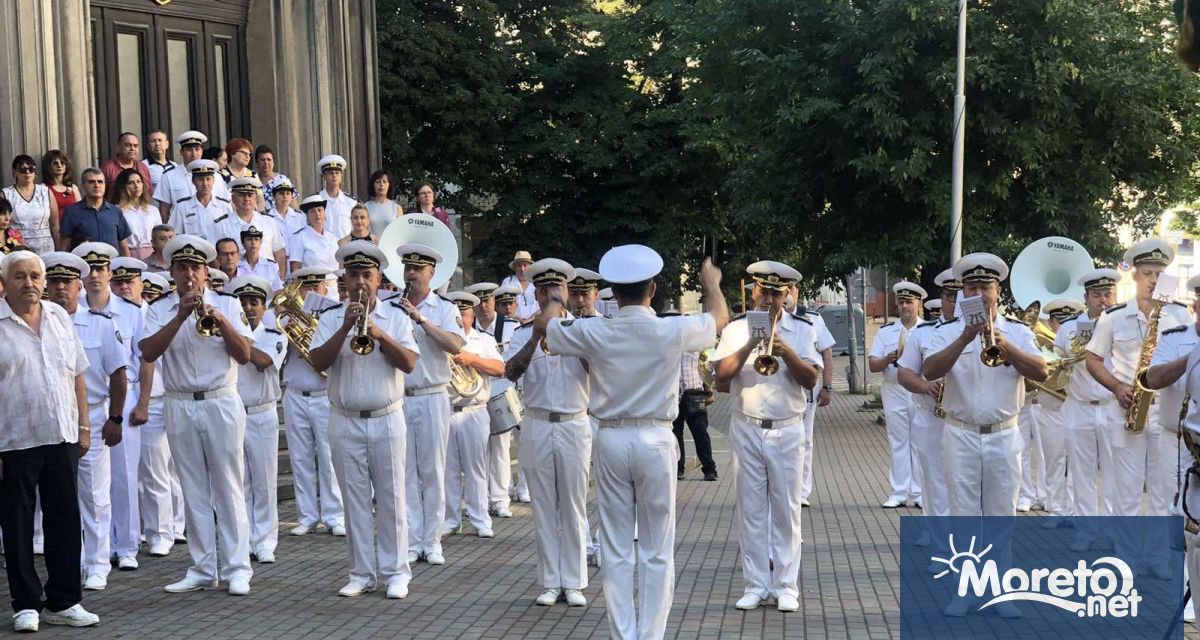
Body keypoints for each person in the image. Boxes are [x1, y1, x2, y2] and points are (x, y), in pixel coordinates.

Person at [538, 245, 727, 640]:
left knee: (617, 548)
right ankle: (652, 634)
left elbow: (550, 329)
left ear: (612, 292)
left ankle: (624, 634)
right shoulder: (671, 328)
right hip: (657, 437)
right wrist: (711, 284)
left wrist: (557, 297)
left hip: (610, 437)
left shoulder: (595, 329)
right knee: (657, 548)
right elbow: (719, 318)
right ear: (653, 289)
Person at [137, 234, 255, 596]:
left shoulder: (228, 304)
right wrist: (180, 315)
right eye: (182, 268)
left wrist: (218, 318)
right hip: (178, 401)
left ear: (206, 272)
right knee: (193, 488)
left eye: (195, 268)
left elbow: (245, 354)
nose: (189, 275)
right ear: (172, 272)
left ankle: (237, 567)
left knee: (229, 485)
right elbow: (148, 351)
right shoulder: (158, 308)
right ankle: (203, 567)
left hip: (220, 398)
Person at [308, 241, 419, 599]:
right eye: (353, 275)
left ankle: (396, 572)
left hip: (387, 417)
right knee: (353, 499)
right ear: (345, 279)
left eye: (366, 276)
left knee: (391, 498)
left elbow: (410, 364)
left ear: (378, 279)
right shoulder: (328, 318)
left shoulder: (397, 317)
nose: (360, 283)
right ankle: (360, 572)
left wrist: (381, 334)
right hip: (344, 419)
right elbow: (318, 363)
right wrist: (344, 328)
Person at [0, 250, 102, 631]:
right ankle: (25, 604)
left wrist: (84, 427)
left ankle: (65, 600)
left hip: (61, 435)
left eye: (34, 277)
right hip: (14, 440)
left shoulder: (59, 317)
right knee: (18, 525)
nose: (29, 283)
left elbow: (77, 373)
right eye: (20, 277)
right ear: (5, 282)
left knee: (64, 520)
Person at [713, 260, 818, 613]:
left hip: (788, 427)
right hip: (746, 426)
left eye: (777, 292)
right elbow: (720, 379)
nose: (769, 299)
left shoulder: (803, 328)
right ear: (753, 291)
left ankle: (786, 584)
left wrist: (786, 350)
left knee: (787, 510)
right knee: (751, 510)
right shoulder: (736, 328)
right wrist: (749, 346)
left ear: (787, 294)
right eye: (764, 291)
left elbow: (811, 380)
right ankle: (756, 583)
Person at [1085, 241, 1190, 571]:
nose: (1154, 280)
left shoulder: (1180, 314)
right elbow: (1093, 359)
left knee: (1164, 491)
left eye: (1159, 274)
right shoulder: (1114, 317)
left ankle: (1158, 559)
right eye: (1147, 274)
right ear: (1135, 276)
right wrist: (1116, 386)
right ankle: (1127, 559)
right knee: (1127, 491)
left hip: (1167, 411)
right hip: (1127, 409)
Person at [921, 253, 1047, 518]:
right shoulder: (946, 331)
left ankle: (997, 562)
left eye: (985, 288)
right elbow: (930, 370)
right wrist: (963, 339)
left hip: (1004, 435)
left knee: (1002, 515)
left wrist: (1006, 347)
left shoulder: (1017, 331)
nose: (978, 294)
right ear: (964, 294)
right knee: (962, 515)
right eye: (971, 288)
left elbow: (1041, 372)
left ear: (998, 292)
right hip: (960, 434)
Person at [504, 259, 595, 607]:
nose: (548, 296)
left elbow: (597, 371)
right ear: (536, 294)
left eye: (555, 290)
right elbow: (510, 372)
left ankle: (573, 581)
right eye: (543, 291)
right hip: (538, 422)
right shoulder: (522, 331)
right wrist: (537, 336)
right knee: (543, 506)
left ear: (566, 292)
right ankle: (549, 580)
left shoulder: (583, 330)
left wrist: (568, 334)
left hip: (574, 422)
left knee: (572, 505)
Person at [73, 244, 146, 574]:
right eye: (89, 271)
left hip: (123, 396)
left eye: (101, 269)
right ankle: (94, 549)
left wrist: (142, 400)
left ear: (110, 273)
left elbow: (144, 360)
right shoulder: (73, 312)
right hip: (85, 400)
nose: (95, 276)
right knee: (92, 486)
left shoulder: (131, 311)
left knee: (125, 474)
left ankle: (126, 544)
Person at [394, 242, 466, 565]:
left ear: (431, 273)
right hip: (400, 397)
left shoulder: (445, 308)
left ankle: (432, 540)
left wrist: (421, 319)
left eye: (418, 269)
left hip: (433, 395)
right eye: (408, 268)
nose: (411, 274)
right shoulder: (391, 306)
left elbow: (454, 345)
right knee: (405, 471)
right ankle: (411, 539)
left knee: (434, 471)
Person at [1142, 273, 1200, 624]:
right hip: (1175, 440)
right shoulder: (1176, 338)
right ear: (1195, 306)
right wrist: (1192, 356)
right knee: (1178, 515)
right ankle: (1183, 590)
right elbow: (1151, 379)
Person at [281, 267, 346, 537]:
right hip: (295, 392)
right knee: (300, 457)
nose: (308, 294)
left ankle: (335, 515)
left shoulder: (331, 317)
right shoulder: (287, 320)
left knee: (328, 457)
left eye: (314, 288)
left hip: (322, 394)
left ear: (323, 290)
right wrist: (290, 335)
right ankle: (307, 516)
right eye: (303, 288)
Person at [229, 275, 287, 564]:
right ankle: (245, 537)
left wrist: (237, 341)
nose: (249, 308)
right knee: (239, 480)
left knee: (264, 480)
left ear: (265, 307)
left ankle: (265, 540)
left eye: (255, 303)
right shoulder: (228, 332)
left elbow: (263, 362)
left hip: (263, 412)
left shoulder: (275, 335)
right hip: (235, 412)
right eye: (243, 303)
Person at [897, 268, 960, 531]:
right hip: (931, 417)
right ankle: (940, 543)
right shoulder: (923, 333)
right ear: (942, 299)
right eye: (949, 297)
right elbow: (903, 373)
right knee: (935, 483)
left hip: (964, 420)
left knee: (964, 484)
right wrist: (925, 386)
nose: (955, 303)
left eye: (960, 296)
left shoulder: (982, 333)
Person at [132, 270, 187, 557]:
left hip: (171, 396)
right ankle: (160, 532)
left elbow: (150, 361)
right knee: (155, 472)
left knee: (173, 470)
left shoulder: (155, 314)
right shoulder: (138, 315)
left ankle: (174, 526)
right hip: (153, 400)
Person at [443, 291, 505, 539]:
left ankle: (481, 519)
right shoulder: (442, 339)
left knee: (476, 468)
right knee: (447, 469)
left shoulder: (484, 340)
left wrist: (472, 359)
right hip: (446, 408)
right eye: (456, 313)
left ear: (472, 315)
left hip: (475, 409)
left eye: (465, 314)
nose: (460, 318)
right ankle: (451, 519)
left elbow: (500, 368)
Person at [869, 281, 927, 508]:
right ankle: (899, 491)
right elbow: (873, 364)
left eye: (909, 302)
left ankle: (921, 492)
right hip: (894, 390)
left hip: (920, 389)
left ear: (918, 304)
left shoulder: (928, 329)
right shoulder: (886, 332)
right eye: (901, 302)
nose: (905, 306)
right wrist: (889, 358)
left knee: (920, 440)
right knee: (898, 440)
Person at [465, 281, 517, 518]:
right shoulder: (465, 331)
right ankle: (479, 500)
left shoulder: (511, 326)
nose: (485, 305)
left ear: (495, 301)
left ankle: (500, 498)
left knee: (500, 448)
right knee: (476, 453)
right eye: (480, 302)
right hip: (472, 394)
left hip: (500, 391)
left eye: (488, 300)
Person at [1032, 298, 1084, 519]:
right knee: (1053, 461)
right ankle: (1054, 508)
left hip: (1075, 408)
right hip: (1051, 410)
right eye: (1058, 321)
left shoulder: (1080, 343)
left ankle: (1073, 509)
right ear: (1051, 321)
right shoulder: (1040, 346)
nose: (1061, 326)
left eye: (1067, 321)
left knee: (1077, 464)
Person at [493, 283, 531, 503]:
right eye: (504, 304)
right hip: (501, 388)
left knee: (525, 442)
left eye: (511, 303)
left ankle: (524, 486)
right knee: (503, 444)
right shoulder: (493, 327)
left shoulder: (518, 327)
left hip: (520, 390)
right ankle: (504, 487)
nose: (508, 308)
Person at [671, 327, 717, 482]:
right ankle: (678, 468)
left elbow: (706, 368)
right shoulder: (668, 344)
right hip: (673, 395)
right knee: (675, 434)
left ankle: (710, 469)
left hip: (695, 393)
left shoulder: (698, 346)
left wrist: (709, 391)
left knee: (700, 433)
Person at [154, 131, 230, 221]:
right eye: (189, 150)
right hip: (183, 230)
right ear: (182, 152)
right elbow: (164, 211)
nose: (194, 153)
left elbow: (225, 206)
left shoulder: (216, 176)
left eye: (197, 149)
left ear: (201, 151)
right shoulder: (169, 176)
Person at [216, 177, 286, 271]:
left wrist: (280, 280)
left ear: (256, 199)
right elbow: (215, 258)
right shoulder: (222, 224)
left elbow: (279, 252)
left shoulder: (269, 222)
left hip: (268, 279)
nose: (246, 199)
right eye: (242, 195)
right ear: (233, 198)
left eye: (250, 195)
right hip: (237, 280)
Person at [60, 169, 131, 255]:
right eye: (91, 182)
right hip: (85, 265)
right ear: (83, 185)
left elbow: (124, 247)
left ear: (105, 185)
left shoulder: (116, 212)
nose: (97, 185)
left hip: (112, 266)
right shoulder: (71, 212)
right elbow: (64, 247)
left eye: (100, 182)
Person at [166, 159, 233, 243]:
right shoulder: (182, 207)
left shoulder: (224, 206)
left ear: (213, 180)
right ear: (193, 181)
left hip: (218, 253)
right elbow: (174, 235)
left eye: (208, 179)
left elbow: (232, 234)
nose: (205, 184)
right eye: (201, 179)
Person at [5, 155, 59, 254]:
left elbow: (55, 225)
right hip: (18, 247)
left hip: (46, 248)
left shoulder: (46, 192)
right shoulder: (6, 194)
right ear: (14, 172)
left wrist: (59, 250)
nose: (27, 172)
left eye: (31, 169)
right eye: (22, 169)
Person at [112, 168, 162, 260]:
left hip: (152, 255)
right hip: (128, 255)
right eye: (131, 183)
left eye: (139, 182)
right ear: (123, 186)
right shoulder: (116, 211)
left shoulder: (153, 210)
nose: (136, 186)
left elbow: (159, 235)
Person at [288, 195, 339, 273]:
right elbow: (296, 269)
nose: (317, 214)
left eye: (319, 210)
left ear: (324, 213)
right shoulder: (299, 237)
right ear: (307, 217)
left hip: (334, 283)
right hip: (312, 284)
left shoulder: (332, 237)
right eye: (312, 211)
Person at [316, 155, 356, 239]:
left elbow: (355, 227)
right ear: (324, 176)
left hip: (345, 248)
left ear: (341, 176)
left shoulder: (351, 202)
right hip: (323, 247)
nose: (334, 176)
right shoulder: (316, 200)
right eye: (330, 173)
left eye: (337, 173)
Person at [236, 227, 283, 292]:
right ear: (243, 243)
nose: (253, 242)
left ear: (261, 242)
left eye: (256, 239)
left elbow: (278, 290)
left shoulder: (271, 266)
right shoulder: (236, 265)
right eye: (249, 239)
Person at [41, 149, 81, 220]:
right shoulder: (43, 187)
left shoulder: (73, 188)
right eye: (55, 163)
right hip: (53, 228)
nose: (59, 165)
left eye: (62, 163)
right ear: (48, 166)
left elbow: (80, 211)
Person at [501, 250, 538, 322]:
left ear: (530, 266)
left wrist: (530, 319)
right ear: (514, 267)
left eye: (525, 265)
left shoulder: (537, 282)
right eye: (519, 265)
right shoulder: (508, 282)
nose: (522, 269)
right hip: (513, 323)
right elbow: (502, 307)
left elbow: (543, 307)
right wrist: (517, 318)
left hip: (535, 323)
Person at [253, 145, 290, 211]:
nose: (266, 162)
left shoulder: (282, 180)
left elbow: (293, 204)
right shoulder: (252, 179)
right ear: (257, 162)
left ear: (273, 162)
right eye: (262, 160)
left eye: (269, 159)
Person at [366, 170, 401, 237]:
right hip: (371, 245)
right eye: (378, 182)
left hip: (390, 245)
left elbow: (400, 232)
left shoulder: (397, 208)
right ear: (373, 185)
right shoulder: (366, 207)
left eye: (384, 182)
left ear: (389, 185)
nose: (381, 184)